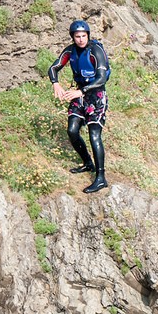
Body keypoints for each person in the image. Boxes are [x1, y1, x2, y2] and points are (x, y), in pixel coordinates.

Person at [48, 19, 109, 193]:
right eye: (77, 36)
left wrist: (82, 92)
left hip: (96, 96)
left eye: (83, 36)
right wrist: (56, 84)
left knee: (94, 135)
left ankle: (101, 178)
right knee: (72, 130)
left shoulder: (95, 51)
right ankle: (88, 163)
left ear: (88, 36)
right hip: (79, 94)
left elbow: (102, 78)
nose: (81, 39)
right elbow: (54, 68)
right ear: (73, 37)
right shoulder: (70, 51)